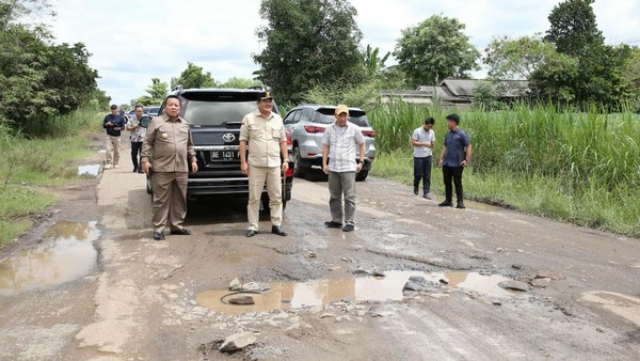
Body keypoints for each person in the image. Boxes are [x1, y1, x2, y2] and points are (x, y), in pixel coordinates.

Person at [141, 95, 198, 241]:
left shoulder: (185, 124)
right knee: (160, 200)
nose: (174, 107)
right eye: (171, 105)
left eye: (176, 105)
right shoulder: (156, 122)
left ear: (180, 108)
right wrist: (145, 160)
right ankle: (159, 229)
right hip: (162, 168)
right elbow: (147, 142)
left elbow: (190, 144)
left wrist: (193, 159)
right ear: (165, 107)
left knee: (180, 199)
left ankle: (176, 226)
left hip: (181, 168)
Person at [239, 91, 289, 238]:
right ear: (258, 103)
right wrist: (243, 162)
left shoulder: (278, 119)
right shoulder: (249, 118)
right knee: (254, 197)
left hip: (274, 164)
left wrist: (285, 160)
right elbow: (243, 141)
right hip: (256, 164)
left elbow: (283, 141)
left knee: (276, 197)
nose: (269, 104)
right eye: (265, 101)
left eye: (270, 101)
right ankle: (253, 226)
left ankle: (276, 225)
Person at [322, 105, 366, 232]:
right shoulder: (329, 129)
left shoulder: (354, 129)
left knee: (349, 196)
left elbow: (362, 144)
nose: (342, 118)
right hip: (334, 167)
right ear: (335, 116)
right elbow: (326, 146)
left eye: (344, 115)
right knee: (334, 196)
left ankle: (349, 221)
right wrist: (325, 163)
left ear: (348, 116)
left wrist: (361, 162)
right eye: (340, 115)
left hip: (348, 167)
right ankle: (336, 220)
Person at [438, 114, 472, 209]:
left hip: (457, 163)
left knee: (457, 182)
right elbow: (445, 147)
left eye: (448, 122)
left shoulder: (462, 134)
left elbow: (468, 146)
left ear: (453, 122)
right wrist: (441, 159)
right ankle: (448, 200)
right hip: (447, 163)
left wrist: (466, 160)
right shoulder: (448, 134)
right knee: (447, 182)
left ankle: (460, 202)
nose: (447, 123)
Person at [412, 117, 436, 199]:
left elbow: (433, 143)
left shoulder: (432, 132)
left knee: (427, 175)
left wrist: (432, 144)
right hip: (418, 156)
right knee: (418, 174)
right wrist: (424, 144)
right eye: (428, 126)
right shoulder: (417, 131)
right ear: (425, 124)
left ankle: (426, 192)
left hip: (428, 155)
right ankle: (416, 185)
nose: (429, 128)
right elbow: (414, 142)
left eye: (431, 127)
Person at [103, 104, 126, 169]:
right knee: (108, 150)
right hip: (109, 135)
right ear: (111, 110)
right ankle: (109, 163)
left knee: (117, 151)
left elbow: (123, 127)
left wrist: (119, 128)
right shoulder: (107, 117)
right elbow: (104, 126)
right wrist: (107, 124)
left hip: (117, 136)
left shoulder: (121, 118)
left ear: (117, 110)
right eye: (113, 110)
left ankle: (116, 163)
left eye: (115, 110)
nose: (114, 111)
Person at [126, 105, 146, 173]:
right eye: (138, 111)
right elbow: (128, 128)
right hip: (134, 139)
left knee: (142, 154)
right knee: (134, 154)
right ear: (135, 111)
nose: (139, 112)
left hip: (143, 139)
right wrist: (136, 126)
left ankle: (141, 168)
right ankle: (135, 166)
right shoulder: (131, 118)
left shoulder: (145, 118)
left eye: (141, 111)